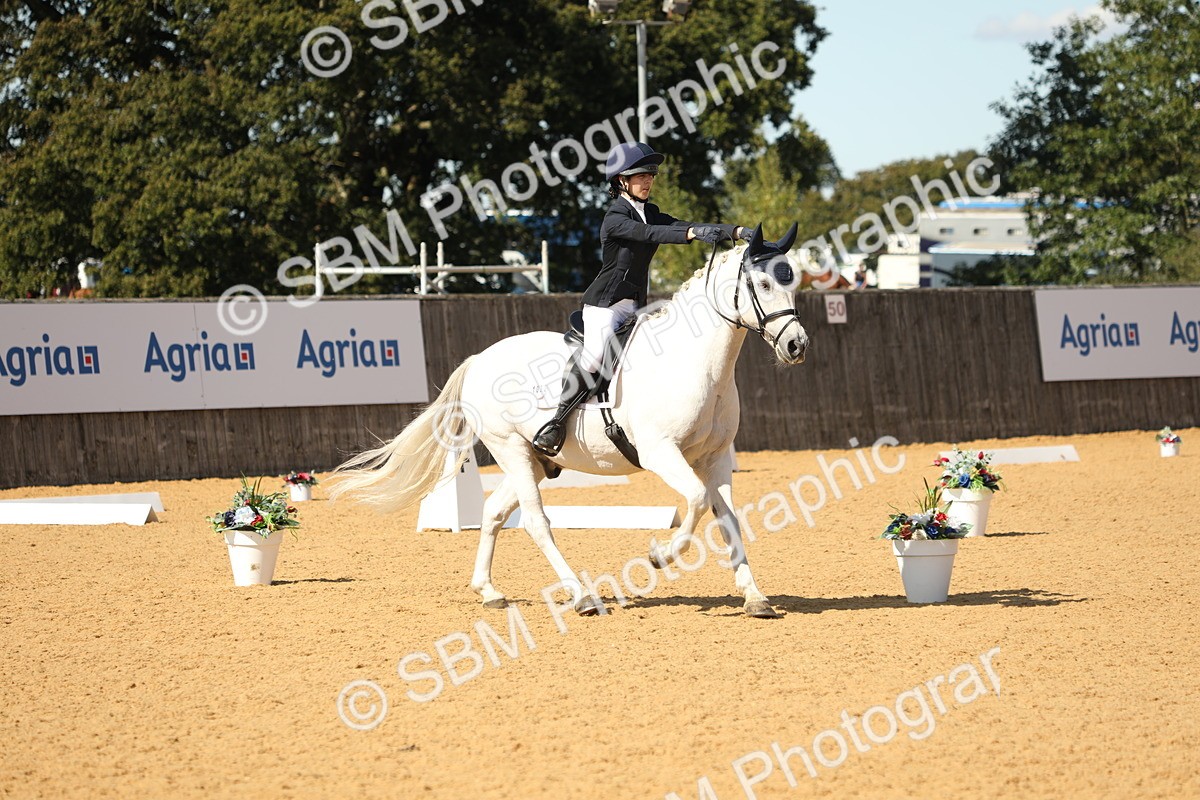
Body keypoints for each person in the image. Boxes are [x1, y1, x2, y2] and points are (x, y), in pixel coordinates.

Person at [531, 141, 752, 457]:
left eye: (650, 175)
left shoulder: (649, 212)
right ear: (621, 181)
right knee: (594, 356)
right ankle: (557, 421)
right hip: (604, 307)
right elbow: (652, 234)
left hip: (635, 307)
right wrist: (691, 236)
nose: (647, 180)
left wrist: (736, 231)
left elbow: (679, 225)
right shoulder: (615, 218)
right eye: (639, 175)